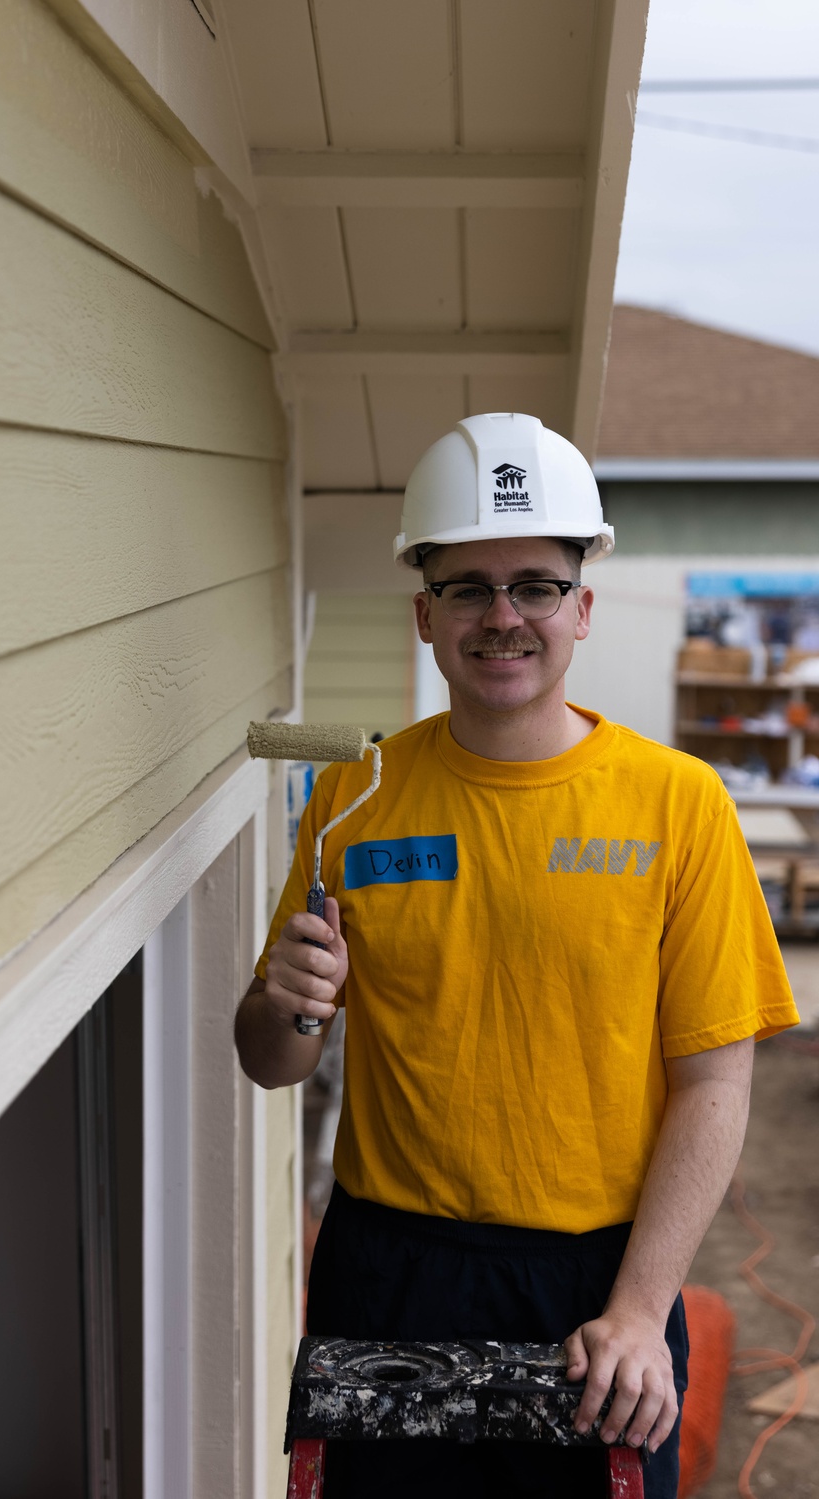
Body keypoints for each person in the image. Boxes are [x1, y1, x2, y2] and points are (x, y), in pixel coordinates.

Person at [235, 413, 799, 1498]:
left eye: (534, 583)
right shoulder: (353, 799)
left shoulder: (676, 804)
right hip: (383, 1267)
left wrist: (641, 1306)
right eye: (466, 586)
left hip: (597, 1282)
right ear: (422, 612)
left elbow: (716, 1081)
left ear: (581, 606)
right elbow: (273, 1059)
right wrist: (283, 1001)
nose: (502, 616)